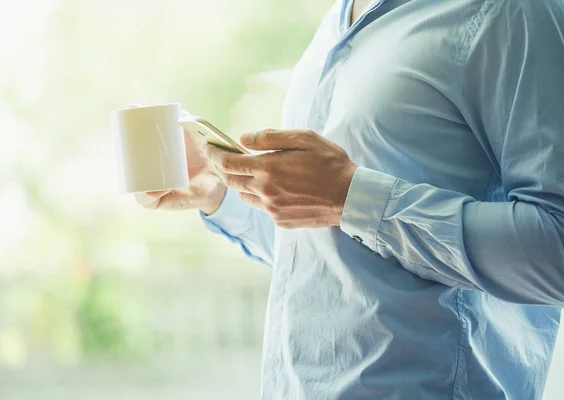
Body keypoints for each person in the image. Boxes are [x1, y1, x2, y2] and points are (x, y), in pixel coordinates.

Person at [136, 0, 564, 398]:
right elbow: (340, 260)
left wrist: (350, 198)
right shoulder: (336, 24)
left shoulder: (514, 11)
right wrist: (219, 194)